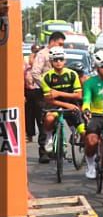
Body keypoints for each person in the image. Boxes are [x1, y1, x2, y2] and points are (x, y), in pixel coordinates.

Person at [40, 46, 86, 157]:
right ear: (51, 62)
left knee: (84, 132)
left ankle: (85, 152)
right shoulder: (46, 77)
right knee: (49, 118)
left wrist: (58, 93)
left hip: (72, 104)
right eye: (55, 60)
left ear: (65, 60)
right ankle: (49, 137)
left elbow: (78, 95)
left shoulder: (72, 74)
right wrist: (65, 104)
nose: (58, 62)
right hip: (55, 105)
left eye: (61, 59)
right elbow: (48, 98)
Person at [31, 32, 65, 163]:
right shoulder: (43, 55)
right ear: (52, 42)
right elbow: (35, 73)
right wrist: (46, 87)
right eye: (60, 44)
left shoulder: (60, 56)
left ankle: (56, 149)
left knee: (59, 118)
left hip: (58, 91)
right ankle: (43, 152)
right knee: (44, 121)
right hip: (43, 92)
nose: (62, 47)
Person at [81, 50, 103, 181]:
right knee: (91, 141)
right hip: (96, 115)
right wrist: (86, 109)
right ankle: (90, 164)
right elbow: (86, 100)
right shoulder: (90, 82)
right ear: (96, 67)